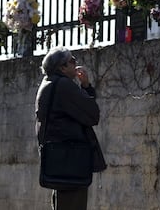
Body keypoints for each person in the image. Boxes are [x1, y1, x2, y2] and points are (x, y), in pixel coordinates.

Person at [35, 46, 107, 210]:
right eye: (72, 61)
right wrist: (86, 86)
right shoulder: (63, 85)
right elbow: (92, 115)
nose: (76, 64)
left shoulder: (48, 83)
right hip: (71, 161)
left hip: (59, 160)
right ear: (62, 67)